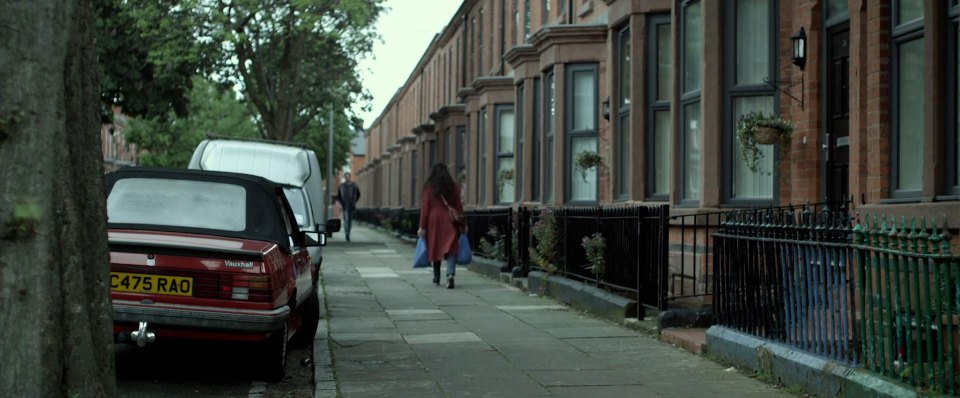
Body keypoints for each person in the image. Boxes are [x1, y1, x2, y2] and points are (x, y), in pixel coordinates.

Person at [418, 163, 465, 289]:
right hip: (450, 220)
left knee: (435, 247)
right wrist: (463, 223)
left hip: (434, 220)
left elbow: (425, 209)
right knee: (452, 248)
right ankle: (450, 275)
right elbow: (458, 206)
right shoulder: (452, 186)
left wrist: (422, 226)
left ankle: (437, 277)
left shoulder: (429, 187)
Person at [336, 172, 361, 242]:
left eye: (348, 176)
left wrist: (355, 201)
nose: (347, 178)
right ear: (345, 178)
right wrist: (341, 203)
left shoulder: (354, 185)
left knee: (350, 221)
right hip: (345, 206)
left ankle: (348, 233)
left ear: (350, 177)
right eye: (346, 177)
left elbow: (359, 194)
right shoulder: (341, 186)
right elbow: (338, 196)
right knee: (346, 220)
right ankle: (346, 234)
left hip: (351, 206)